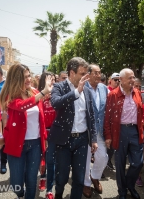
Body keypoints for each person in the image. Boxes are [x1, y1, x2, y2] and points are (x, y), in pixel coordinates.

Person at [0, 64, 53, 199]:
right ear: (16, 79)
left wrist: (44, 138)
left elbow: (41, 119)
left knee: (31, 180)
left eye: (29, 76)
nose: (28, 79)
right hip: (16, 143)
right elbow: (22, 106)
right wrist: (43, 93)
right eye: (24, 77)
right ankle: (20, 195)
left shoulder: (34, 92)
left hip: (35, 143)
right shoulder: (9, 96)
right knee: (16, 183)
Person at [49, 57, 98, 199]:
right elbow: (56, 103)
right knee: (62, 176)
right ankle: (58, 194)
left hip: (82, 140)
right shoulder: (59, 87)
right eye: (82, 74)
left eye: (86, 74)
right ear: (71, 72)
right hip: (64, 140)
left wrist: (93, 139)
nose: (86, 77)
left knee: (79, 177)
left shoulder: (88, 91)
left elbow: (91, 117)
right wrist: (76, 92)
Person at [104, 68, 144, 199]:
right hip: (119, 131)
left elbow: (141, 113)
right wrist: (108, 136)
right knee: (120, 163)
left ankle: (130, 185)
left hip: (134, 131)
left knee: (138, 163)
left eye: (133, 77)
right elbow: (107, 117)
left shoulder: (137, 93)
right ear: (121, 80)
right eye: (130, 78)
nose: (133, 80)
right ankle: (122, 190)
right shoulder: (112, 95)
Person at [83, 64, 108, 198]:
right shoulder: (82, 87)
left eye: (100, 72)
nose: (99, 75)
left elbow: (106, 110)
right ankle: (86, 183)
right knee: (86, 158)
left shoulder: (104, 89)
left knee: (103, 157)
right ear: (88, 74)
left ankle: (95, 176)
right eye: (96, 73)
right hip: (85, 130)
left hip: (100, 130)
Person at [38, 72, 57, 199]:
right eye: (49, 79)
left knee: (51, 161)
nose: (52, 82)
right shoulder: (37, 96)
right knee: (41, 159)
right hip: (39, 133)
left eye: (54, 79)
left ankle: (49, 189)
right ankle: (42, 177)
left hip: (53, 133)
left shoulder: (58, 95)